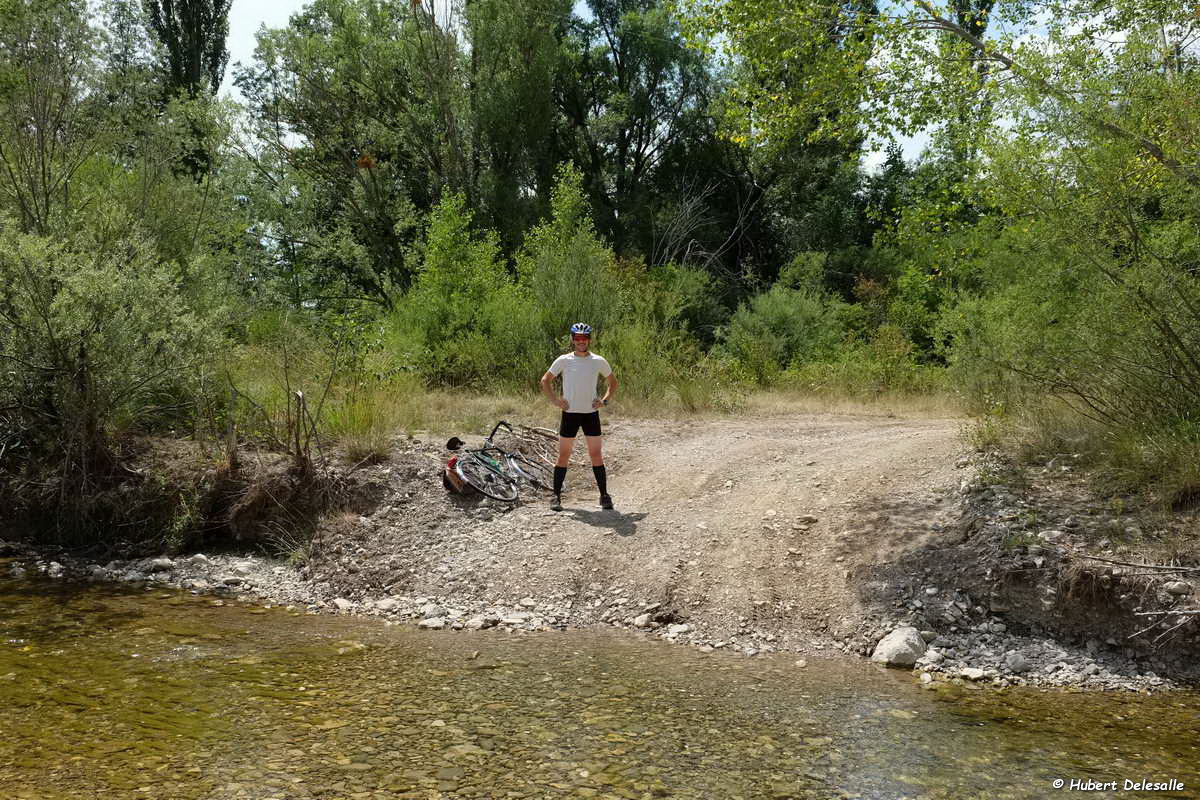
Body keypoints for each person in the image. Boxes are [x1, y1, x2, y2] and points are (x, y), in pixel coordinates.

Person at [539, 322, 618, 511]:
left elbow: (613, 383)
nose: (581, 341)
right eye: (577, 338)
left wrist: (604, 401)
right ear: (572, 339)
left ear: (589, 339)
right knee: (563, 455)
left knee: (596, 455)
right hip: (570, 415)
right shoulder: (564, 360)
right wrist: (556, 401)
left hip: (591, 415)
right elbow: (545, 380)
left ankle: (604, 496)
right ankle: (556, 496)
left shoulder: (598, 360)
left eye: (584, 338)